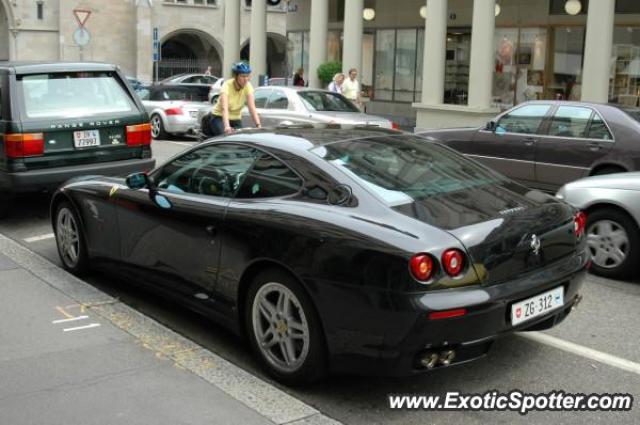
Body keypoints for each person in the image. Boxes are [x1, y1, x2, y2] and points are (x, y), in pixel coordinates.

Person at [201, 62, 261, 137]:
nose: (245, 79)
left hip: (235, 119)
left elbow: (252, 108)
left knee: (241, 140)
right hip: (219, 117)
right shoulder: (226, 86)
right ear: (235, 76)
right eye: (242, 76)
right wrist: (226, 126)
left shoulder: (248, 86)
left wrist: (258, 125)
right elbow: (224, 108)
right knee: (225, 137)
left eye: (247, 76)